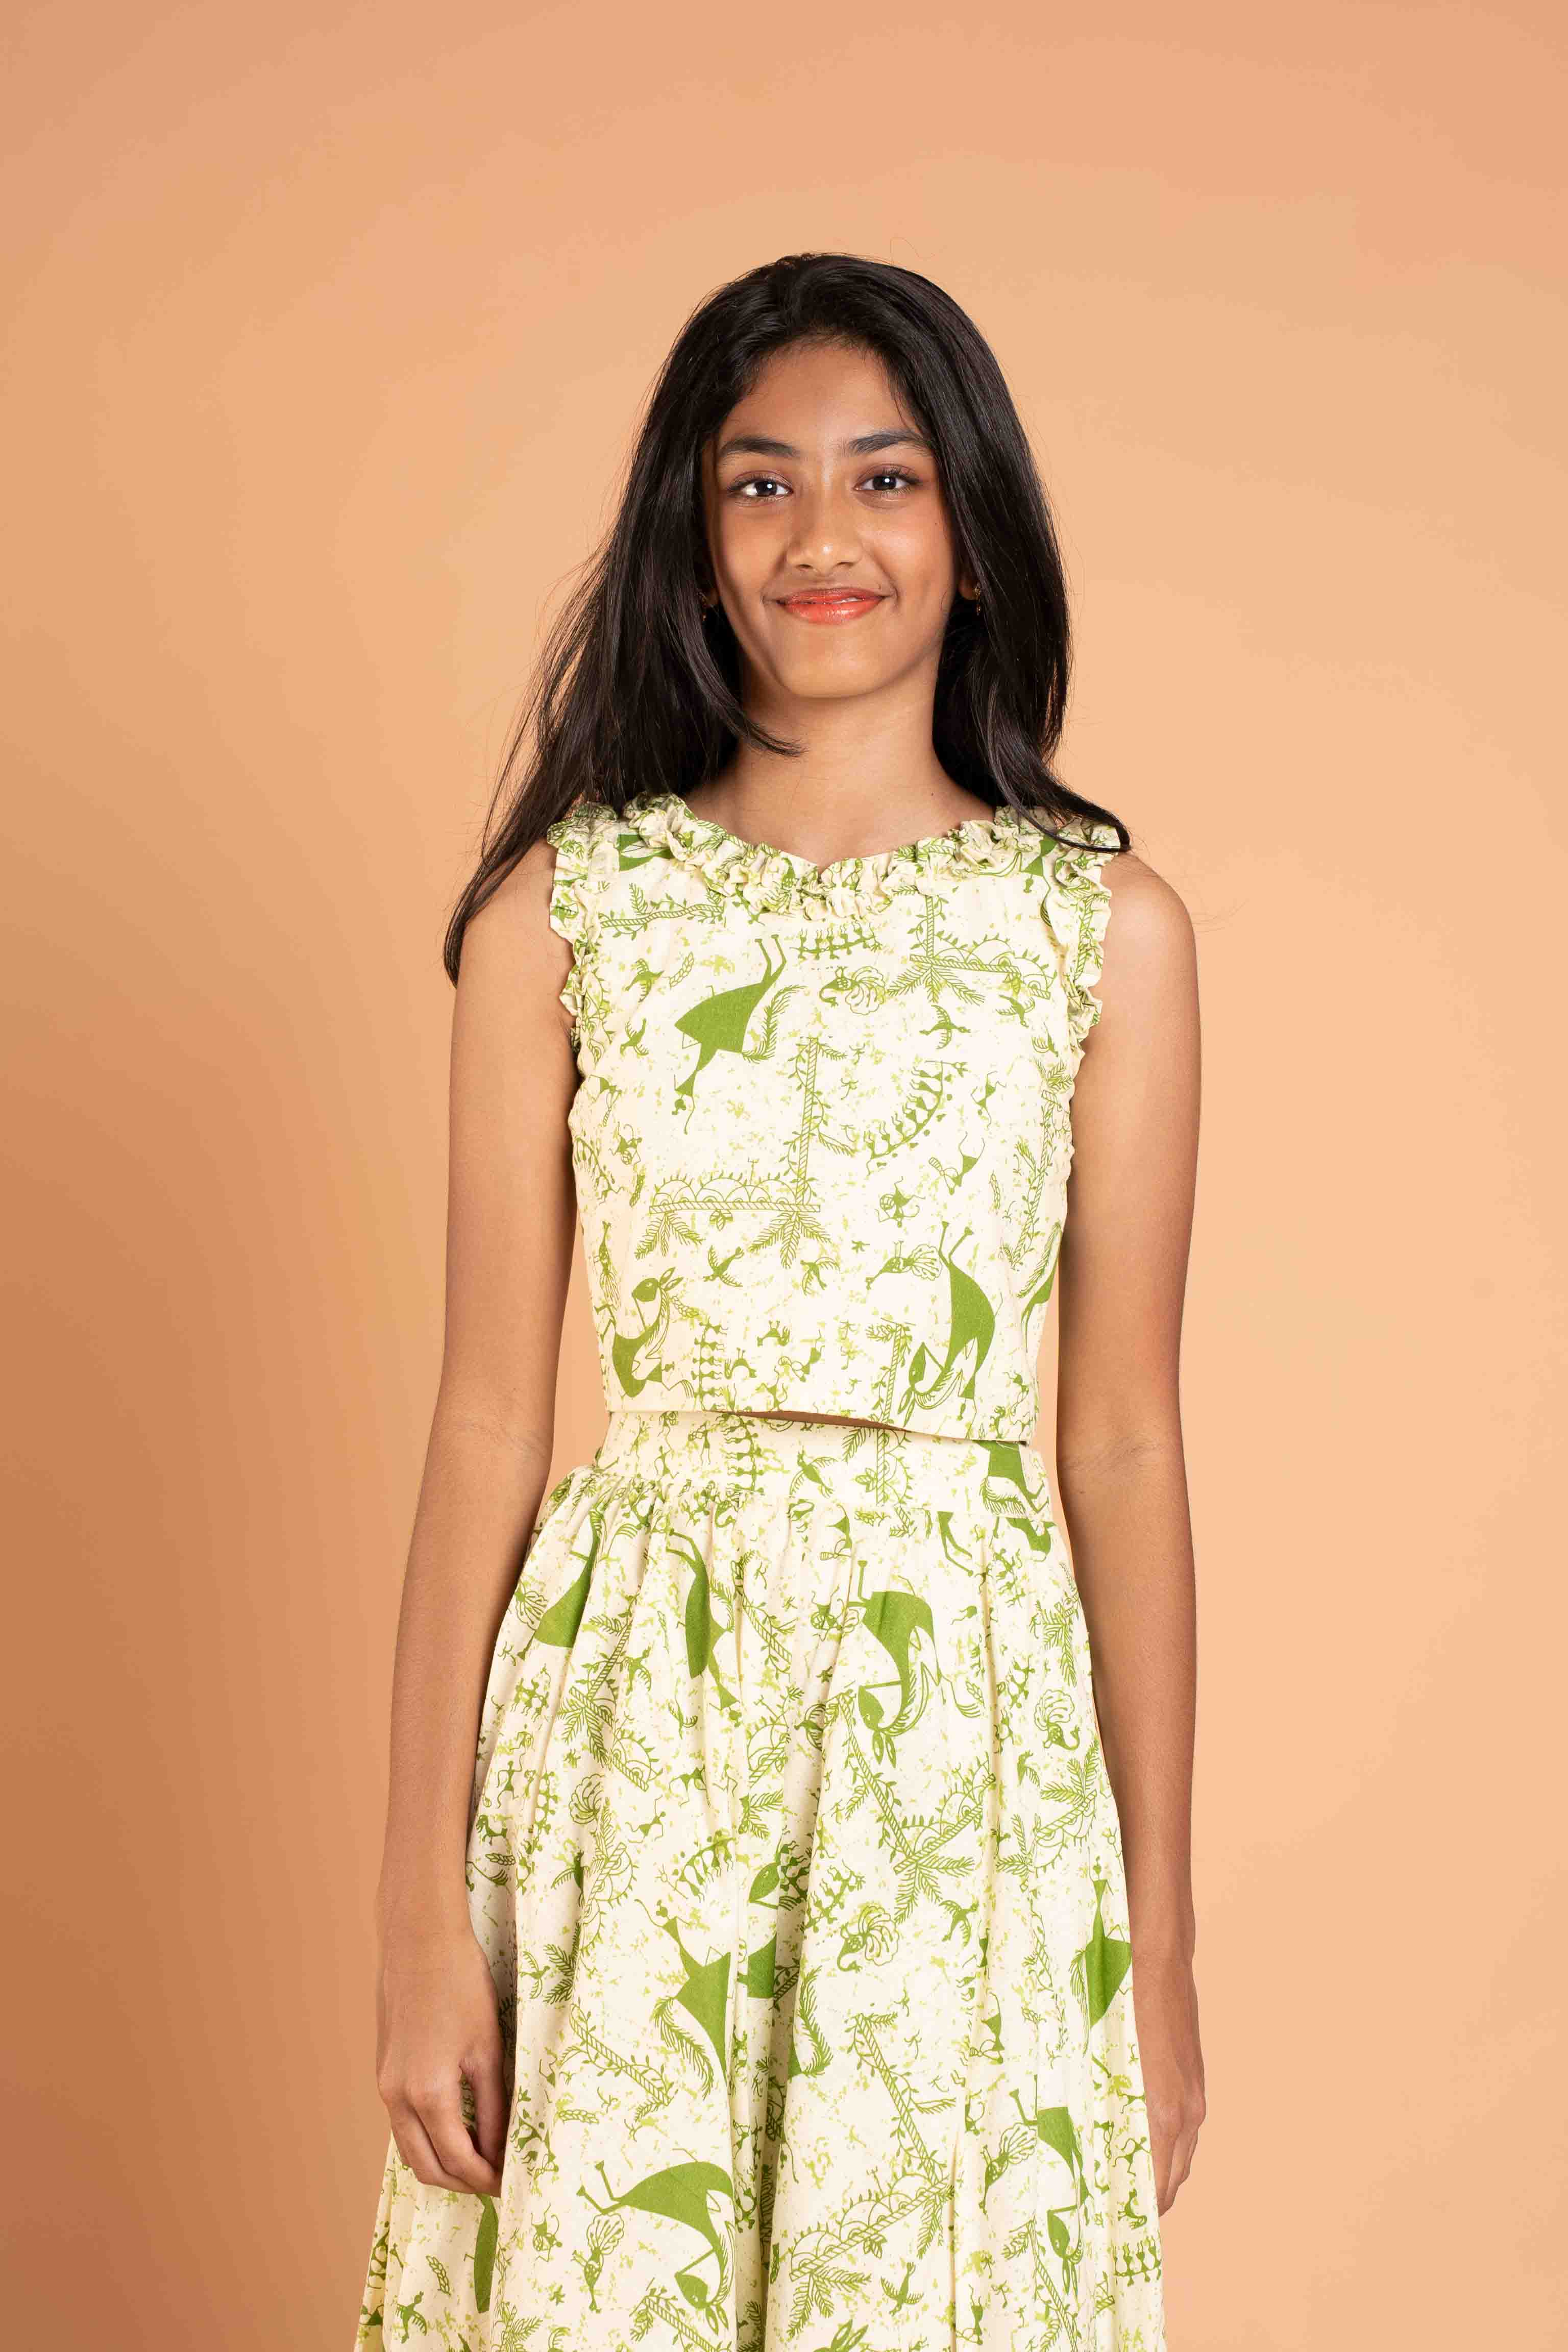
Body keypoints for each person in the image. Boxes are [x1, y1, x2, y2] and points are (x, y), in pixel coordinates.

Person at [356, 252, 1203, 2351]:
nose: (823, 536)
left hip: (961, 1746)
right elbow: (487, 1422)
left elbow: (1119, 1441)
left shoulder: (1103, 929)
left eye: (885, 478)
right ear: (695, 536)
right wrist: (414, 1915)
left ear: (976, 535)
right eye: (760, 485)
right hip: (641, 1719)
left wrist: (1161, 1945)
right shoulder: (568, 914)